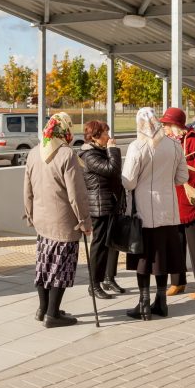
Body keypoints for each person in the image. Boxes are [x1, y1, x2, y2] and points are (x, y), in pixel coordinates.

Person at [23, 112, 92, 328]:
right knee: (60, 267)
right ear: (65, 129)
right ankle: (53, 314)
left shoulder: (35, 152)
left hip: (42, 221)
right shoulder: (67, 155)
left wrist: (29, 213)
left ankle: (43, 309)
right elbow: (76, 194)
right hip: (63, 221)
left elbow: (27, 189)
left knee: (44, 265)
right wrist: (85, 221)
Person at [121, 107, 188, 320]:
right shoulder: (175, 145)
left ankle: (143, 304)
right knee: (162, 257)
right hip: (168, 210)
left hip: (143, 211)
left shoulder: (137, 146)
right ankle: (162, 301)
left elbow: (128, 181)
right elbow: (182, 177)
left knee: (144, 258)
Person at [160, 107, 195, 299]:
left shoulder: (193, 139)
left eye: (167, 125)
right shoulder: (173, 141)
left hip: (192, 203)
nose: (165, 129)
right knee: (175, 244)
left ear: (176, 125)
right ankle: (178, 282)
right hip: (176, 202)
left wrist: (184, 171)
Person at [78, 120, 125, 299]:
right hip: (98, 206)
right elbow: (112, 169)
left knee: (111, 243)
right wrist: (113, 150)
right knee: (99, 245)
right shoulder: (88, 155)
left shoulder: (99, 151)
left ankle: (108, 277)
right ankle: (94, 284)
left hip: (109, 203)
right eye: (106, 132)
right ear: (96, 136)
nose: (109, 136)